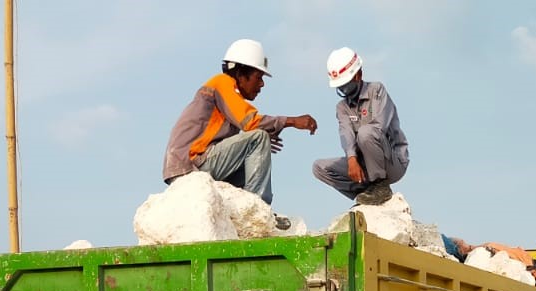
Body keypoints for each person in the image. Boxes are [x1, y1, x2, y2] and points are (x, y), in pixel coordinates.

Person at [163, 39, 318, 222]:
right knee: (258, 138)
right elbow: (250, 122)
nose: (261, 84)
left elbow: (235, 131)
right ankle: (257, 211)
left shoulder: (223, 94)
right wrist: (290, 121)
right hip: (191, 165)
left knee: (256, 149)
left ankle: (240, 213)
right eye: (258, 77)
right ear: (240, 74)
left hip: (191, 165)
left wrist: (258, 142)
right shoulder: (223, 82)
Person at [311, 47, 409, 206]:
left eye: (346, 85)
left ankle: (380, 187)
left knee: (366, 132)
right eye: (340, 87)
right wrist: (351, 159)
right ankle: (366, 194)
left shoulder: (376, 90)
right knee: (319, 167)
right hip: (364, 163)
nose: (344, 90)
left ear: (358, 75)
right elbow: (346, 132)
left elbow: (379, 127)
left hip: (391, 162)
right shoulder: (342, 107)